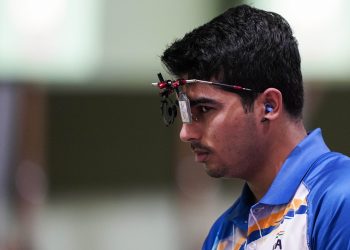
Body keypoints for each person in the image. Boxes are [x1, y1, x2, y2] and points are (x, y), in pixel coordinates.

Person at [153, 4, 350, 250]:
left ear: (269, 105)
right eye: (185, 112)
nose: (186, 132)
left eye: (204, 109)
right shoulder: (221, 236)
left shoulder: (341, 198)